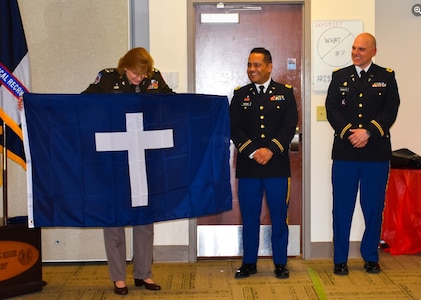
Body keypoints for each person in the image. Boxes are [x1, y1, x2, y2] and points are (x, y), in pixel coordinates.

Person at [83, 47, 173, 294]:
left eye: (143, 75)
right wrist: (36, 105)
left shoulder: (154, 79)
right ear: (125, 66)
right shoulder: (108, 77)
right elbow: (80, 103)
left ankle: (144, 274)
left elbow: (175, 105)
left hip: (144, 159)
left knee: (145, 218)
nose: (139, 79)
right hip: (114, 158)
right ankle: (118, 277)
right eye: (135, 74)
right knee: (114, 218)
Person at [325, 33, 400, 276]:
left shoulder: (386, 76)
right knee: (342, 207)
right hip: (345, 153)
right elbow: (332, 109)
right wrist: (350, 133)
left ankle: (370, 256)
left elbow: (391, 110)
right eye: (354, 48)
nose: (356, 53)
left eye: (362, 49)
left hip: (375, 155)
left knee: (373, 206)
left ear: (373, 52)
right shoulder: (340, 77)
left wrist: (368, 132)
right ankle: (340, 259)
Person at [229, 47, 298, 279]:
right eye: (249, 65)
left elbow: (289, 126)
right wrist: (251, 151)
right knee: (249, 216)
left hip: (276, 165)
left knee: (279, 215)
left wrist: (270, 149)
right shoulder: (240, 94)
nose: (252, 69)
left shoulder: (285, 93)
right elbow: (234, 127)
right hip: (249, 167)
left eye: (257, 65)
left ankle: (280, 262)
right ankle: (249, 262)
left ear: (269, 66)